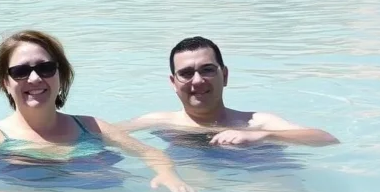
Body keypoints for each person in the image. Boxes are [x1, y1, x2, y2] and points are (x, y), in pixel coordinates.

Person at [0, 30, 194, 192]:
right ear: (5, 83)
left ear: (61, 75)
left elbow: (149, 152)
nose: (34, 78)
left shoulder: (92, 127)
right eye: (20, 71)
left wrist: (167, 174)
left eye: (46, 68)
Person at [120, 36, 339, 147]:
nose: (197, 81)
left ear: (224, 75)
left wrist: (265, 136)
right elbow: (100, 134)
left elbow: (326, 139)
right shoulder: (159, 122)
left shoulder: (256, 123)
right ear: (173, 83)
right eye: (186, 73)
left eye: (207, 70)